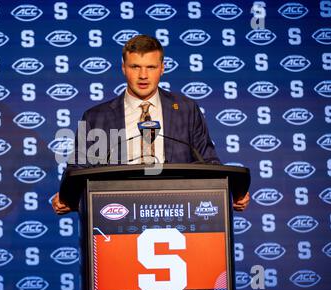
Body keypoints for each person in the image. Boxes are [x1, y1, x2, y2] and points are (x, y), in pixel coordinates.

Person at [52, 34, 250, 214]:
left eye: (151, 67)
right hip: (116, 212)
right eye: (135, 67)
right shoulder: (97, 117)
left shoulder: (186, 109)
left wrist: (230, 192)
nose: (143, 75)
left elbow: (208, 162)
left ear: (162, 68)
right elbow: (78, 170)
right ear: (123, 68)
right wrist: (67, 197)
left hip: (178, 209)